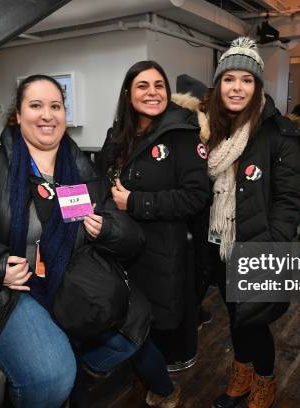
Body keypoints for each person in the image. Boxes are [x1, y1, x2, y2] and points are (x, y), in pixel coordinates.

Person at [0, 75, 145, 408]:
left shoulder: (82, 169)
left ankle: (69, 380)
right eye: (36, 105)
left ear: (64, 115)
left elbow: (130, 236)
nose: (47, 115)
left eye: (55, 106)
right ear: (18, 115)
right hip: (9, 292)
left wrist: (107, 229)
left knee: (133, 330)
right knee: (50, 376)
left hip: (70, 279)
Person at [182, 37, 300, 408]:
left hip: (255, 243)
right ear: (218, 85)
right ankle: (242, 372)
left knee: (253, 319)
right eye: (229, 79)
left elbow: (289, 200)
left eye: (246, 80)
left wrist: (271, 245)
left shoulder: (278, 132)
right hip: (215, 242)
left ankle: (264, 379)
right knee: (236, 317)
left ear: (257, 87)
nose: (237, 87)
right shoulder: (208, 131)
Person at [96, 60, 210, 406]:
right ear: (128, 94)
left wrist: (137, 203)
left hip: (159, 251)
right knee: (121, 316)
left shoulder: (183, 133)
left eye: (159, 85)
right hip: (116, 247)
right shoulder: (117, 135)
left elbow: (196, 196)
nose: (152, 92)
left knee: (152, 323)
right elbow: (100, 180)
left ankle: (159, 385)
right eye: (143, 85)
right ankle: (142, 377)